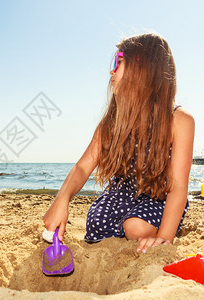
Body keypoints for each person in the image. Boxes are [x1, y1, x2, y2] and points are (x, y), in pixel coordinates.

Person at [43, 33, 195, 253]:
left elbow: (179, 187)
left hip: (158, 199)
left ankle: (157, 228)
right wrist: (62, 199)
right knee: (96, 224)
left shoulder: (179, 121)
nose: (111, 71)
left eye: (118, 62)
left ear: (142, 68)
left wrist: (164, 239)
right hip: (118, 198)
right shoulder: (112, 122)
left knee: (136, 227)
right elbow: (83, 167)